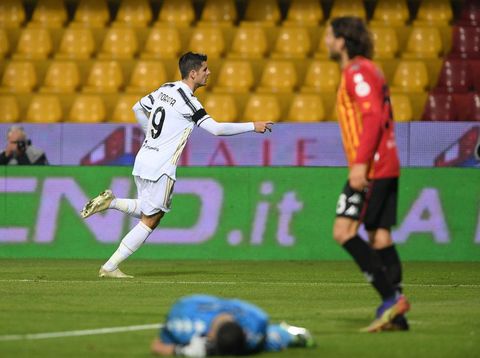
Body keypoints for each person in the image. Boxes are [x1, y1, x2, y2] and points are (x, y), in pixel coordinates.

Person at [80, 52, 273, 278]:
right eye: (205, 70)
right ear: (193, 73)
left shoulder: (165, 88)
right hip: (161, 166)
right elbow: (217, 129)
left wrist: (150, 137)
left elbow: (137, 108)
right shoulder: (190, 102)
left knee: (146, 207)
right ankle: (110, 267)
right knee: (152, 218)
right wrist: (253, 125)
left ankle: (112, 202)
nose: (209, 73)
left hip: (143, 157)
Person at [324, 17, 410, 332]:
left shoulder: (356, 72)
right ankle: (396, 316)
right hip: (387, 162)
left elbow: (373, 116)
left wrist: (360, 164)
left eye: (329, 35)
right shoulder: (371, 68)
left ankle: (391, 300)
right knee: (379, 235)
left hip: (371, 166)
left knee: (343, 231)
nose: (326, 40)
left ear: (342, 41)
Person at [150, 294, 315, 357]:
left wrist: (180, 351)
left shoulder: (255, 326)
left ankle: (288, 333)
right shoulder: (183, 319)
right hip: (199, 309)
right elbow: (156, 346)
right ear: (211, 336)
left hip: (248, 336)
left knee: (271, 341)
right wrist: (180, 350)